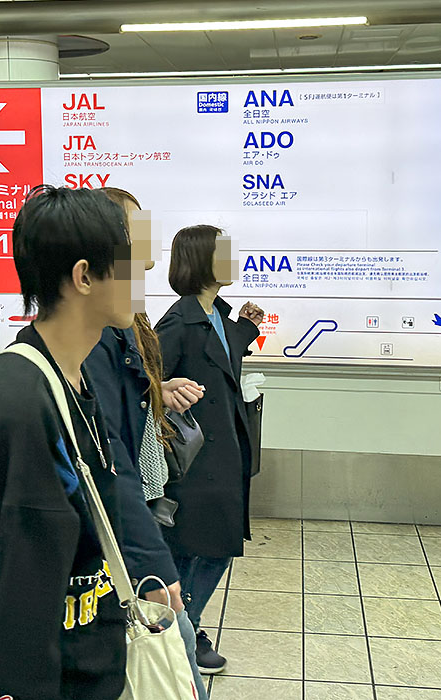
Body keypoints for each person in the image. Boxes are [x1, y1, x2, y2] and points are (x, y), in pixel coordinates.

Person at [0, 186, 135, 700]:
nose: (143, 274)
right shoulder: (15, 406)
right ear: (84, 276)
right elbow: (9, 595)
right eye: (129, 261)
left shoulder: (72, 377)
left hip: (88, 665)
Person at [82, 187, 209, 699]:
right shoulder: (91, 337)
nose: (150, 250)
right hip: (121, 516)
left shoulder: (129, 317)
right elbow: (106, 459)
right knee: (169, 642)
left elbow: (132, 393)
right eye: (136, 233)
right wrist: (150, 564)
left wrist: (159, 390)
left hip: (142, 493)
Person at [156, 224, 265, 675]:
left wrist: (248, 328)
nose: (235, 258)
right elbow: (149, 380)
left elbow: (222, 354)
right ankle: (184, 630)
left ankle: (183, 626)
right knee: (191, 548)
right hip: (194, 462)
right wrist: (162, 388)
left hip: (226, 454)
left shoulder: (216, 314)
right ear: (202, 260)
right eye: (225, 251)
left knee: (219, 543)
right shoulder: (178, 322)